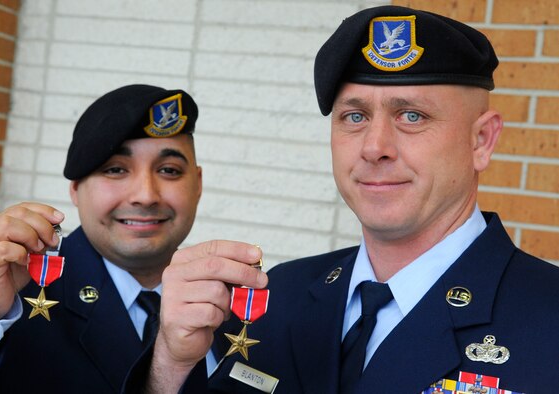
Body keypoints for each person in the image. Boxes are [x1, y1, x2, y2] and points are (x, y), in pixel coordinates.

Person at [128, 5, 559, 394]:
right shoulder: (279, 296)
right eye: (355, 116)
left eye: (412, 116)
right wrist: (170, 363)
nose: (375, 147)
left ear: (481, 140)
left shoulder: (549, 318)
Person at [0, 84, 212, 393]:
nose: (146, 195)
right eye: (116, 170)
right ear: (76, 189)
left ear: (198, 184)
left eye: (169, 170)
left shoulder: (233, 309)